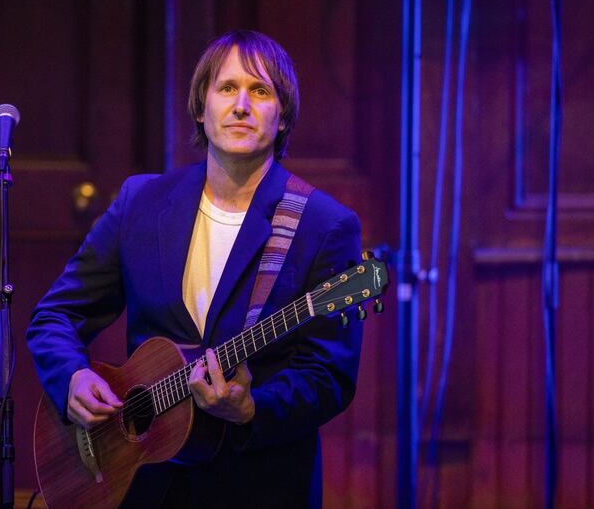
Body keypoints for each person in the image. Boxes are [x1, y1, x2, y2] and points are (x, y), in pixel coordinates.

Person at [27, 29, 363, 508]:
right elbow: (55, 315)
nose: (242, 105)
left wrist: (252, 407)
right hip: (141, 485)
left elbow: (329, 377)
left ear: (283, 115)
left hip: (259, 486)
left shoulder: (323, 225)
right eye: (227, 88)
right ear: (200, 108)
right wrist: (72, 379)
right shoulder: (139, 203)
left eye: (260, 91)